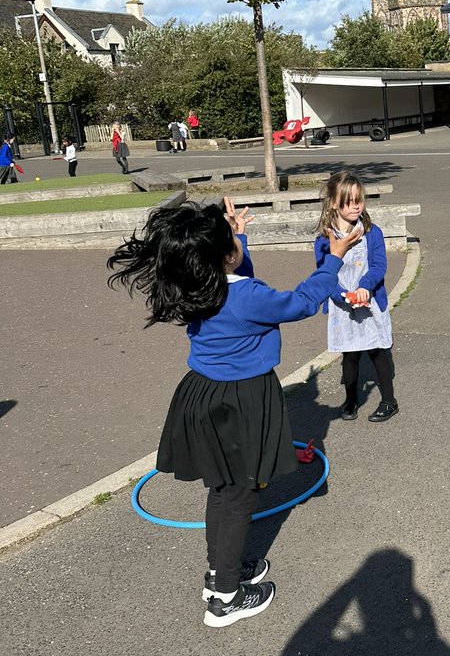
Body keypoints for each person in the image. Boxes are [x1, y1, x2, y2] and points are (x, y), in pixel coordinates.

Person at [107, 197, 361, 627]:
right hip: (243, 401)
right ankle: (225, 598)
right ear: (225, 255)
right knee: (242, 492)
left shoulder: (198, 287)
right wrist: (333, 260)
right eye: (233, 243)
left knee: (223, 488)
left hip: (202, 395)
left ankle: (220, 571)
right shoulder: (246, 297)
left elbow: (238, 278)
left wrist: (237, 235)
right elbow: (300, 302)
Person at [314, 171, 399, 423]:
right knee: (350, 355)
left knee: (377, 351)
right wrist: (342, 295)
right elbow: (324, 276)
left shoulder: (372, 232)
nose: (355, 206)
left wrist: (364, 287)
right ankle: (351, 399)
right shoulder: (323, 240)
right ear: (333, 203)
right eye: (348, 201)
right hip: (343, 306)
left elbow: (378, 266)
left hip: (370, 300)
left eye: (358, 200)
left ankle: (389, 401)